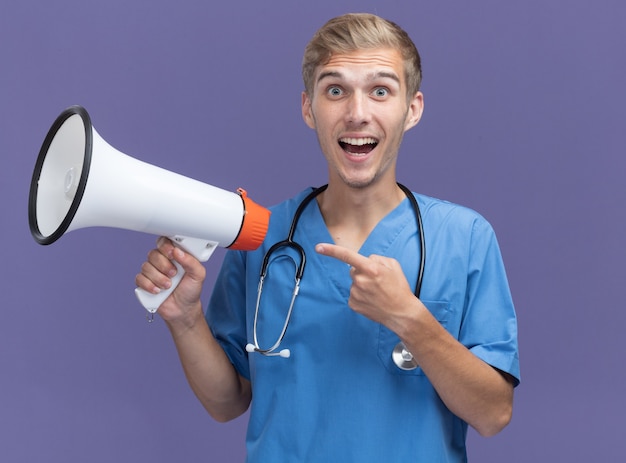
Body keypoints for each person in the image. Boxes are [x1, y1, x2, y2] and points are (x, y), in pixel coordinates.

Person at [136, 13, 520, 462]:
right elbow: (228, 402)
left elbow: (493, 414)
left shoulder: (466, 238)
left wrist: (410, 319)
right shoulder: (260, 235)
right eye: (335, 90)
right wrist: (185, 319)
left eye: (381, 90)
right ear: (308, 108)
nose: (357, 113)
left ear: (411, 110)